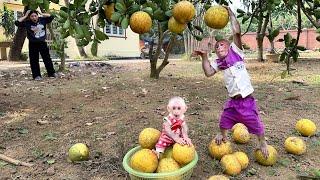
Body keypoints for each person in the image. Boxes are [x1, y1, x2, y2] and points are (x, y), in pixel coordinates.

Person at [193, 7, 269, 158]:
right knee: (224, 120)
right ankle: (223, 135)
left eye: (222, 44)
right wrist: (204, 57)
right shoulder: (219, 63)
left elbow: (236, 32)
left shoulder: (237, 52)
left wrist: (232, 15)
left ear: (229, 46)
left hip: (247, 100)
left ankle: (262, 142)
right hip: (233, 102)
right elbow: (208, 72)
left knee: (256, 124)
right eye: (217, 47)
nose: (219, 46)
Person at [15, 10, 57, 80]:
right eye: (32, 16)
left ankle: (51, 73)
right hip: (33, 44)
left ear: (37, 16)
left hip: (42, 43)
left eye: (35, 15)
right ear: (29, 17)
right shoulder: (27, 23)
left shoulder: (42, 20)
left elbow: (52, 16)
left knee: (47, 59)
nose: (34, 17)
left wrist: (41, 13)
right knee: (34, 60)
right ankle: (37, 76)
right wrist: (25, 16)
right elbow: (17, 23)